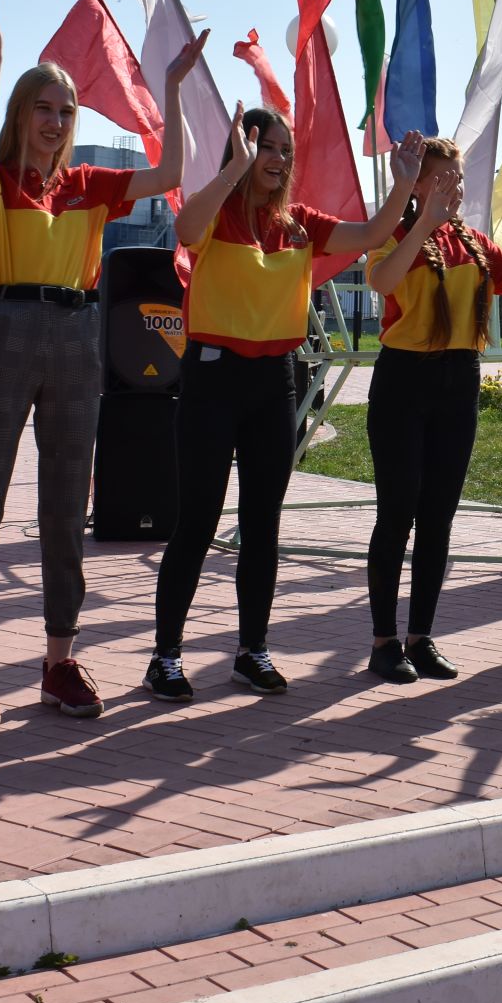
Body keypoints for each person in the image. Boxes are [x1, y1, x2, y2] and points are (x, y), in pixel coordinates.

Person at [0, 0, 202, 730]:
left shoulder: (88, 184)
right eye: (43, 109)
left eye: (66, 110)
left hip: (75, 334)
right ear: (22, 115)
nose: (55, 121)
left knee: (65, 505)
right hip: (5, 329)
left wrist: (173, 89)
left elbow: (171, 170)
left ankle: (59, 661)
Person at [144, 98, 416, 703]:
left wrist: (401, 187)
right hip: (213, 380)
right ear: (242, 151)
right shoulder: (217, 212)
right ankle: (165, 657)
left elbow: (372, 233)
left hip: (275, 383)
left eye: (284, 151)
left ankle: (251, 650)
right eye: (267, 146)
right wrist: (230, 173)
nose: (279, 158)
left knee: (263, 523)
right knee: (197, 521)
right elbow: (186, 230)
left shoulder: (298, 223)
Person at [361, 139, 502, 684]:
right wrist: (424, 222)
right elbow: (380, 281)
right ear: (418, 185)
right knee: (397, 511)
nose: (457, 188)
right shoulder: (397, 233)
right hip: (404, 378)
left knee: (439, 516)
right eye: (444, 179)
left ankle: (421, 637)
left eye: (460, 178)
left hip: (458, 379)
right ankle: (384, 642)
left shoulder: (472, 242)